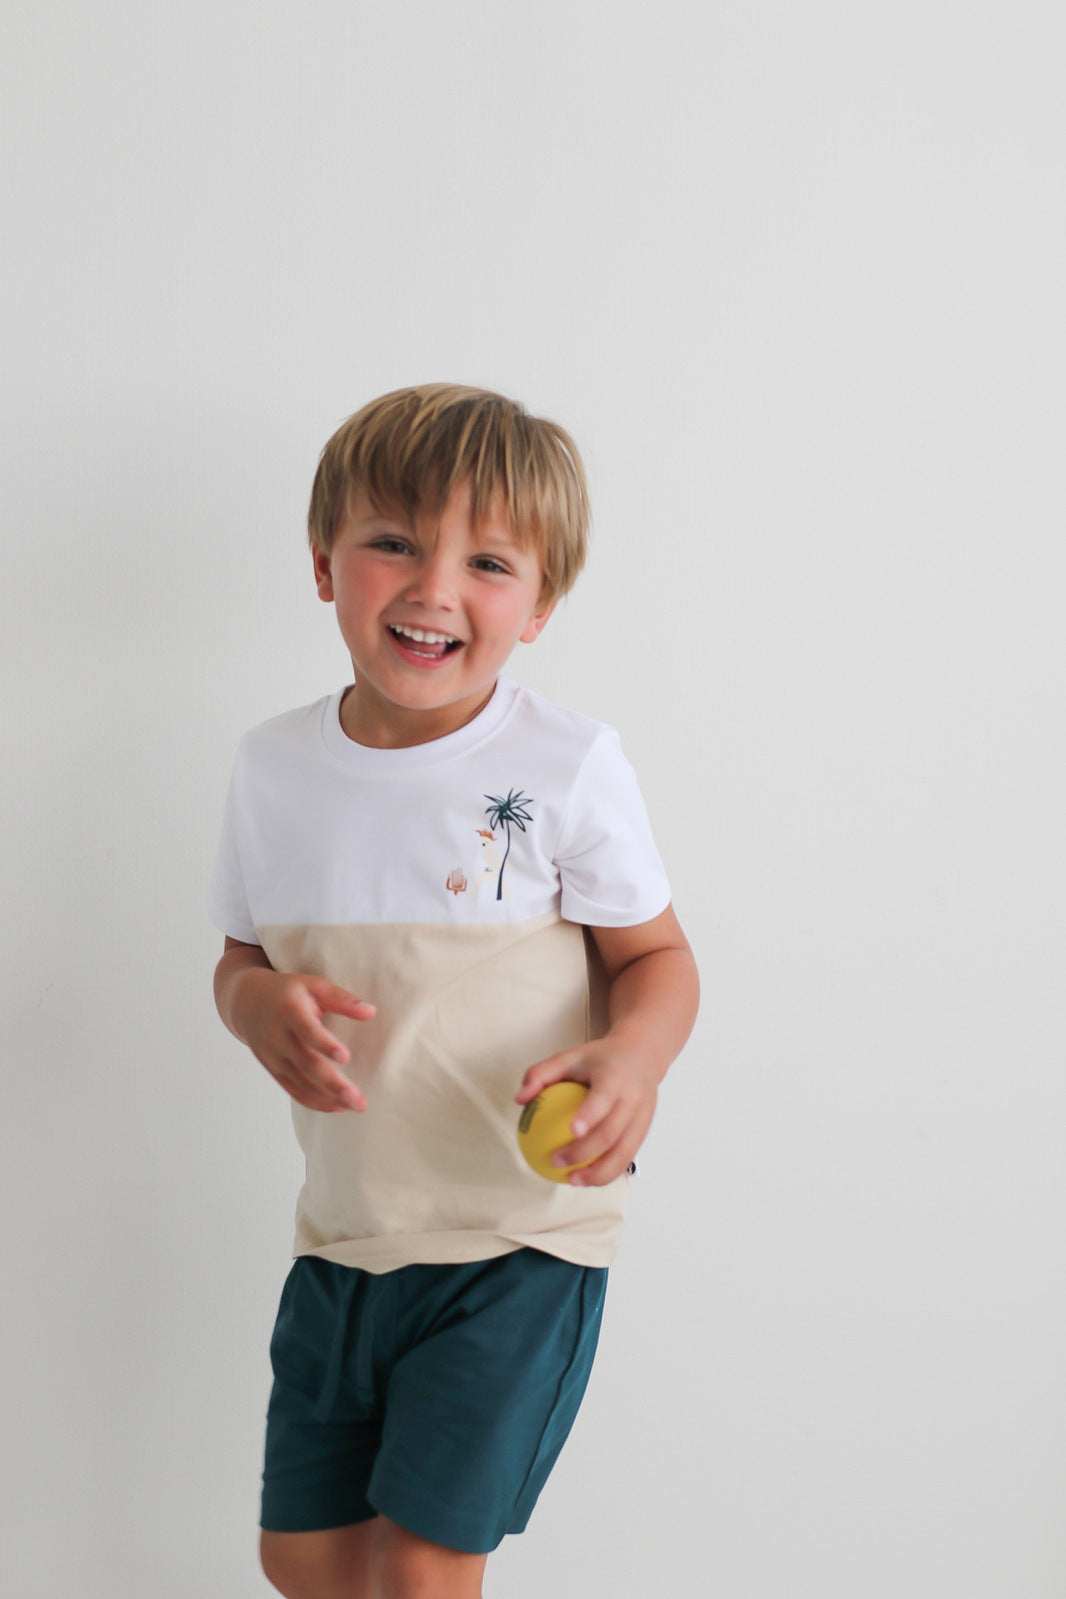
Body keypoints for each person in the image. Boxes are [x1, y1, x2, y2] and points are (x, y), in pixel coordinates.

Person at [209, 383, 699, 1599]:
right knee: (303, 1557)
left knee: (427, 1565)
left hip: (514, 1241)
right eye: (392, 543)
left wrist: (630, 1060)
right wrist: (254, 1006)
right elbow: (239, 957)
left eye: (486, 561)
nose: (433, 588)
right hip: (345, 1237)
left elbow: (657, 959)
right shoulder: (272, 768)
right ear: (325, 566)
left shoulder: (564, 764)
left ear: (537, 607)